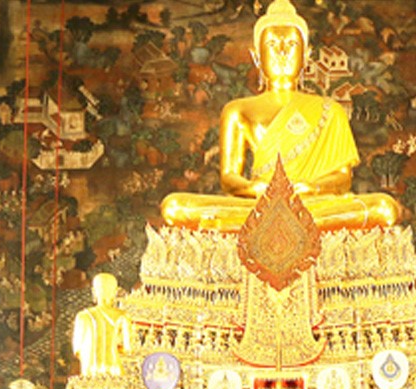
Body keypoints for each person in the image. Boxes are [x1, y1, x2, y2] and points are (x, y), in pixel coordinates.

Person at [161, 0, 398, 232]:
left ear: (306, 56)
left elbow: (342, 178)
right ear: (256, 57)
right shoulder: (238, 110)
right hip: (259, 206)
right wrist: (258, 190)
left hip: (313, 205)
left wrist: (309, 188)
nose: (282, 52)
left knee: (383, 208)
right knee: (174, 207)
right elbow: (229, 178)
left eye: (291, 44)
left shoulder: (330, 110)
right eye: (272, 44)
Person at [72, 273, 132, 378]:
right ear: (115, 292)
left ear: (94, 292)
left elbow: (78, 349)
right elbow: (127, 348)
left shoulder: (82, 316)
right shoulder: (123, 317)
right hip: (114, 373)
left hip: (89, 373)